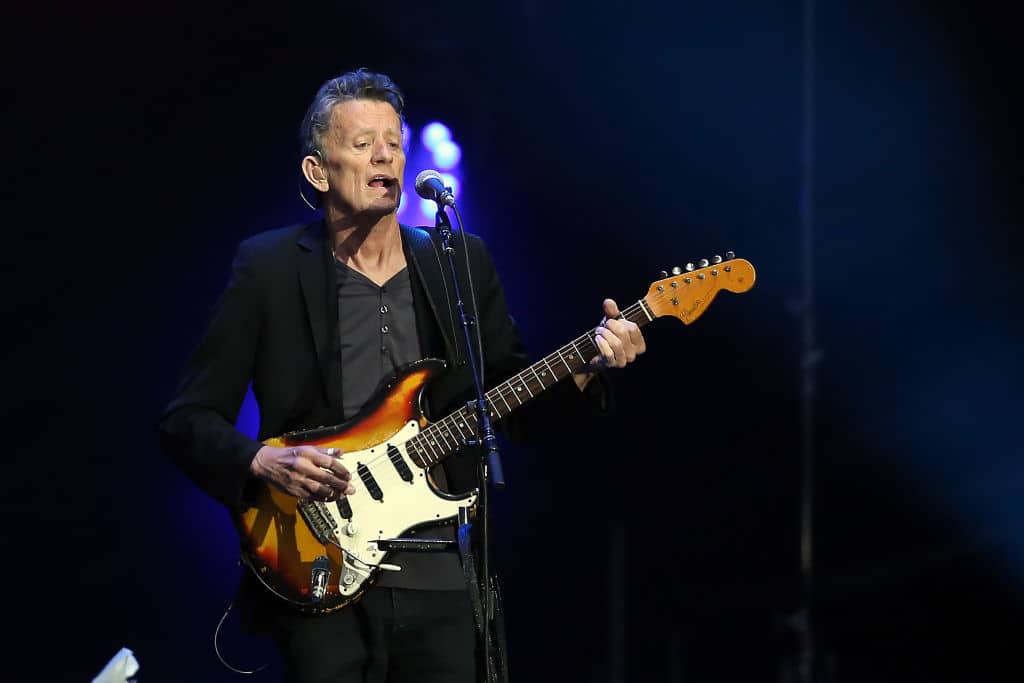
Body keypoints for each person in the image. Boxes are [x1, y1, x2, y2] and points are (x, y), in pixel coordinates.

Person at [158, 68, 646, 683]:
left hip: (442, 572)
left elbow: (510, 402)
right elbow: (187, 420)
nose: (385, 155)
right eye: (362, 145)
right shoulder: (270, 269)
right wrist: (261, 462)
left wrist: (587, 369)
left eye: (393, 141)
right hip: (317, 564)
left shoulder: (459, 261)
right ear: (318, 171)